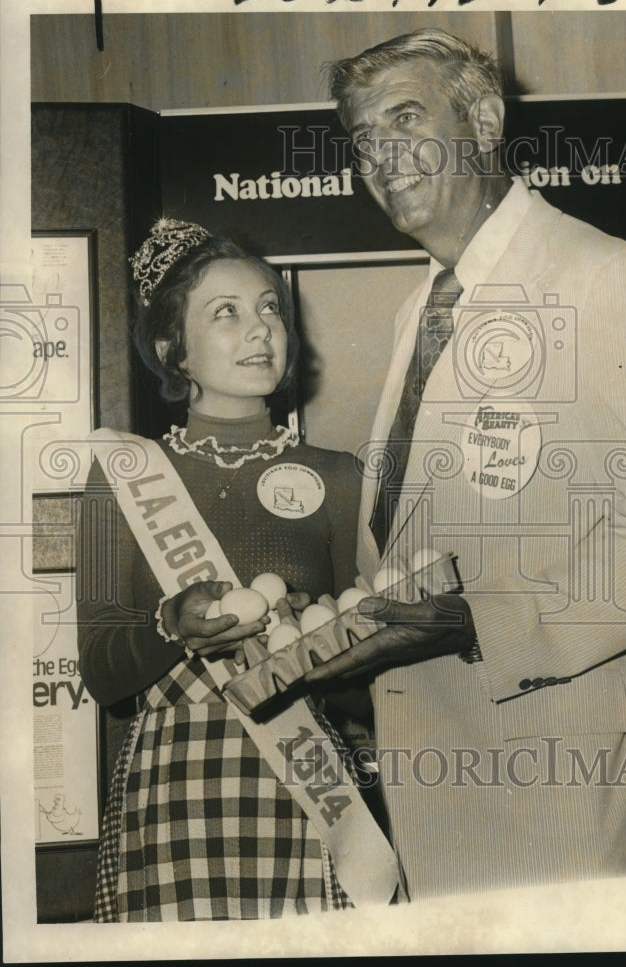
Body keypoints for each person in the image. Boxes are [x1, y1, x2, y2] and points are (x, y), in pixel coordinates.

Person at [302, 29, 626, 898]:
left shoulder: (602, 279)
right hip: (427, 778)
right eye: (362, 139)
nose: (381, 157)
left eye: (405, 119)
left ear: (486, 118)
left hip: (555, 782)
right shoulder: (415, 309)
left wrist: (479, 622)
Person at [77, 219, 384, 920]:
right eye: (227, 313)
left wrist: (322, 647)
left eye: (270, 307)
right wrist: (170, 626)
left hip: (306, 784)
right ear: (170, 349)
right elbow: (101, 675)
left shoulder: (339, 478)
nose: (259, 329)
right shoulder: (119, 477)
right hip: (172, 789)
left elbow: (369, 696)